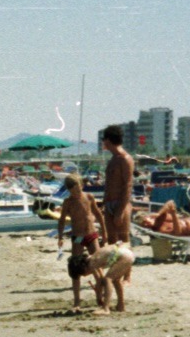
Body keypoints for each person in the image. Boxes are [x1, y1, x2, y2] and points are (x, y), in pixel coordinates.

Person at [55, 175, 103, 310]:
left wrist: (104, 232)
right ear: (69, 190)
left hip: (92, 234)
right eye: (73, 191)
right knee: (75, 268)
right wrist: (60, 237)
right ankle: (77, 301)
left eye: (78, 189)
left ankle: (100, 296)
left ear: (81, 185)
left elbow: (98, 214)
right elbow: (62, 220)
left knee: (97, 266)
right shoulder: (68, 202)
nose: (76, 193)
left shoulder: (88, 197)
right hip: (78, 237)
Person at [98, 125, 135, 245]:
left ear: (108, 140)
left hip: (121, 204)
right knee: (112, 241)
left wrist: (120, 211)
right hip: (109, 204)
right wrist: (104, 203)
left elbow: (128, 185)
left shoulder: (125, 159)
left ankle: (125, 264)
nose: (103, 142)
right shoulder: (114, 159)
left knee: (123, 240)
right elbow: (109, 183)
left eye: (103, 139)